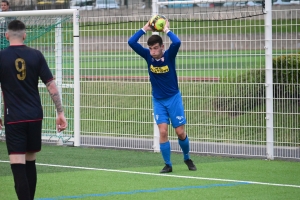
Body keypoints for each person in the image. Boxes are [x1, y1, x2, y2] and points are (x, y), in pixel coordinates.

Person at [0, 20, 67, 200]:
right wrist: (60, 112)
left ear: (6, 36)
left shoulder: (1, 57)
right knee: (30, 161)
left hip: (13, 118)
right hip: (34, 116)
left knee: (17, 164)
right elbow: (51, 85)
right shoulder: (36, 55)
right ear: (25, 35)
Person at [128, 19, 197, 173]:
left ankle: (187, 157)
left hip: (173, 98)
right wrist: (145, 28)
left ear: (162, 47)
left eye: (156, 48)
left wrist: (166, 29)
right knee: (163, 131)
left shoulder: (169, 55)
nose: (153, 51)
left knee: (180, 132)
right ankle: (168, 164)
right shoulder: (147, 56)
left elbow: (177, 42)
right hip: (158, 100)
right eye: (151, 48)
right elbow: (131, 42)